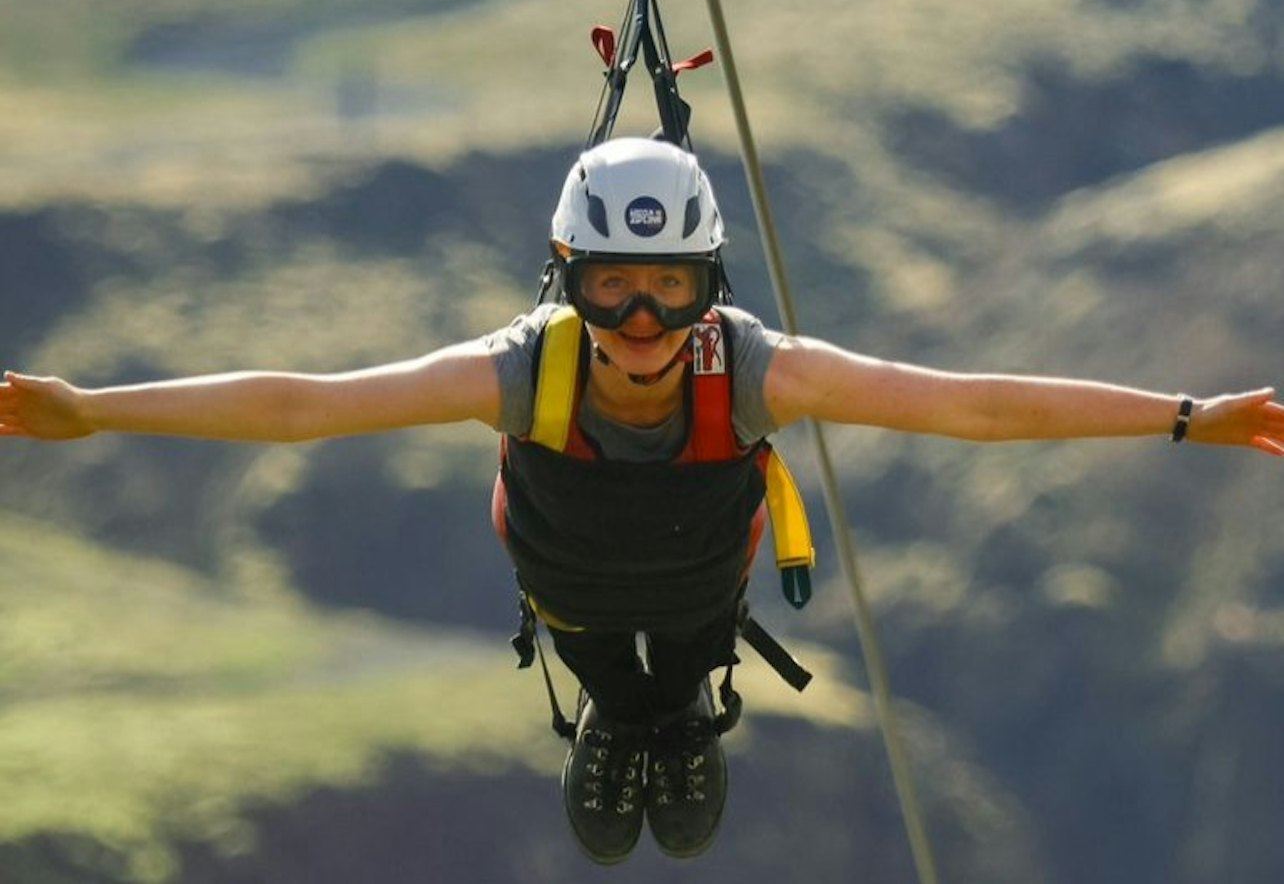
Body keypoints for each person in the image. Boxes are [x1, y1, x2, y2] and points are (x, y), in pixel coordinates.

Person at [2, 136, 1281, 865]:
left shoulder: (760, 371)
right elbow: (308, 403)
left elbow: (969, 404)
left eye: (670, 288)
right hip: (575, 595)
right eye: (613, 286)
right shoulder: (519, 371)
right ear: (566, 283)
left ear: (707, 283)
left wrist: (1184, 415)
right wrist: (94, 409)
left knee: (680, 675)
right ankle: (630, 726)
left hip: (697, 587)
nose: (643, 321)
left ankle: (666, 723)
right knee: (619, 680)